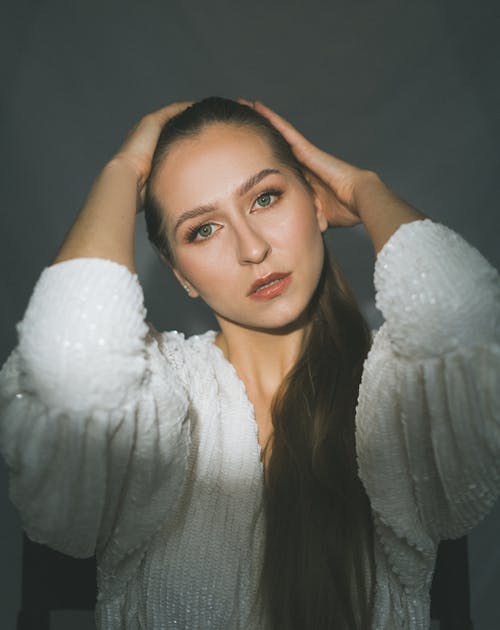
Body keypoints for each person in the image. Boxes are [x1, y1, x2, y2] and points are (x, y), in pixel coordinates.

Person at [0, 96, 498, 630]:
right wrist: (122, 172)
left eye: (265, 198)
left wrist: (364, 189)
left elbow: (466, 328)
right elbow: (69, 373)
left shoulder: (396, 394)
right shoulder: (157, 395)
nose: (252, 248)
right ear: (181, 276)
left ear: (314, 203)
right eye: (203, 229)